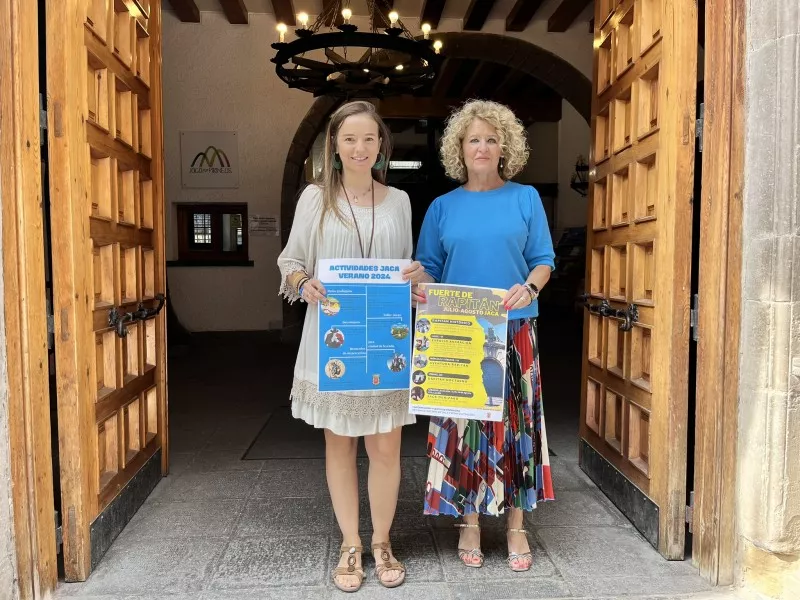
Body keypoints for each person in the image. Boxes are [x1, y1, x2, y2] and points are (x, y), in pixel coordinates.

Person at [277, 100, 426, 592]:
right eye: (349, 139)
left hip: (386, 341)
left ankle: (382, 541)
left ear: (381, 144)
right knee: (339, 445)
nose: (359, 148)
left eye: (368, 139)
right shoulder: (313, 199)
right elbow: (291, 261)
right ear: (334, 147)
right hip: (334, 340)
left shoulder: (400, 201)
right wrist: (304, 283)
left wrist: (417, 278)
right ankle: (350, 543)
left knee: (386, 447)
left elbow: (408, 269)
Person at [414, 99, 555, 572]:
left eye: (491, 139)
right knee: (465, 427)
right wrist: (421, 290)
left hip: (515, 329)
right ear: (460, 147)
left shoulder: (525, 198)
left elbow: (543, 259)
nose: (482, 146)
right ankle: (469, 522)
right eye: (473, 139)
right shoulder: (441, 207)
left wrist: (530, 285)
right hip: (459, 331)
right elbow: (429, 269)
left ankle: (516, 526)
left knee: (516, 428)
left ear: (504, 147)